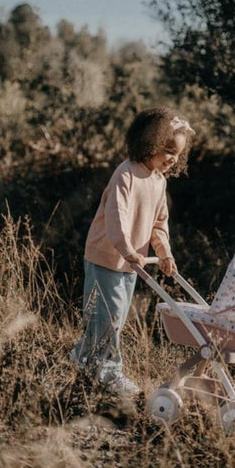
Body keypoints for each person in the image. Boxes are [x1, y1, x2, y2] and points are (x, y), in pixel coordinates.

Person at [71, 106, 195, 396]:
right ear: (148, 142)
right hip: (108, 255)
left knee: (114, 315)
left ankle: (84, 357)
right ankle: (108, 373)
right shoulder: (126, 173)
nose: (172, 159)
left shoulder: (158, 181)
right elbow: (117, 217)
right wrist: (127, 249)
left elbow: (159, 224)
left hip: (131, 261)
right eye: (167, 150)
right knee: (108, 316)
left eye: (176, 154)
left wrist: (165, 252)